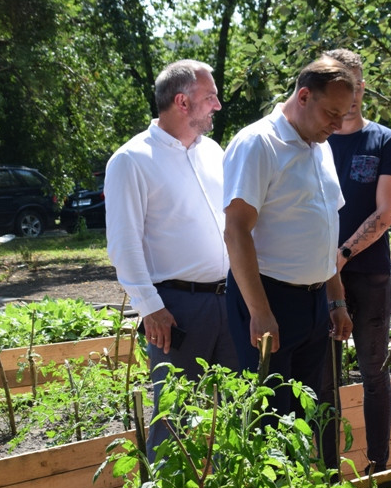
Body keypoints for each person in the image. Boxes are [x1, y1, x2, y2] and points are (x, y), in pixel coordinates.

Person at [104, 59, 238, 460]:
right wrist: (151, 308)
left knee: (235, 413)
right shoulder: (131, 160)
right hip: (176, 311)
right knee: (175, 420)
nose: (217, 106)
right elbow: (123, 245)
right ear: (182, 101)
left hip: (230, 302)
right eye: (210, 97)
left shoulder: (213, 152)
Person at [223, 56, 356, 439]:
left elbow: (326, 227)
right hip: (269, 299)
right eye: (331, 113)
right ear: (303, 96)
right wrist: (260, 312)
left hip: (315, 305)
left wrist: (336, 299)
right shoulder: (257, 143)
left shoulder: (320, 145)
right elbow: (236, 232)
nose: (337, 125)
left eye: (344, 115)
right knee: (268, 424)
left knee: (303, 419)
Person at [317, 48, 391, 475]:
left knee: (374, 371)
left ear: (361, 87)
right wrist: (323, 262)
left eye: (352, 85)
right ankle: (328, 469)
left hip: (368, 274)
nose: (347, 97)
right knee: (325, 379)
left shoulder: (385, 141)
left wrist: (342, 253)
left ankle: (377, 465)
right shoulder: (315, 141)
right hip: (317, 276)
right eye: (337, 86)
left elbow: (384, 214)